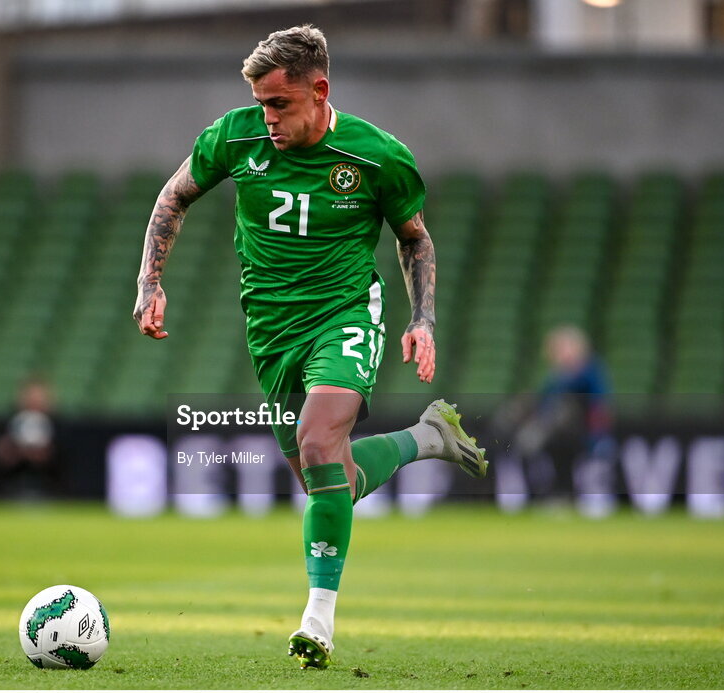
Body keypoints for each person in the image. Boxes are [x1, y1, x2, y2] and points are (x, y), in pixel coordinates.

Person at [133, 25, 487, 669]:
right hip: (270, 330)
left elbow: (415, 238)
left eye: (279, 104)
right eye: (261, 103)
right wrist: (150, 281)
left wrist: (423, 318)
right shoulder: (234, 136)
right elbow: (173, 197)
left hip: (346, 313)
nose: (266, 118)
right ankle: (427, 439)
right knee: (329, 480)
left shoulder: (378, 157)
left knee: (322, 443)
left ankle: (317, 621)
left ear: (319, 91)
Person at [494, 325, 615, 515]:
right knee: (543, 451)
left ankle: (576, 496)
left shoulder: (589, 372)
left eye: (560, 349)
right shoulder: (556, 376)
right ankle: (551, 495)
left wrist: (597, 434)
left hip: (581, 432)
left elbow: (597, 406)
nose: (556, 355)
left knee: (561, 451)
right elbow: (542, 401)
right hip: (557, 434)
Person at [0, 377, 60, 499]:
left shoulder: (58, 426)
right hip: (10, 492)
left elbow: (64, 465)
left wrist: (45, 454)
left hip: (50, 494)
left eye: (39, 397)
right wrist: (14, 452)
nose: (35, 400)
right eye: (31, 396)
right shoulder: (8, 423)